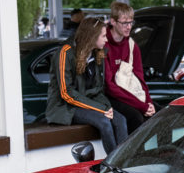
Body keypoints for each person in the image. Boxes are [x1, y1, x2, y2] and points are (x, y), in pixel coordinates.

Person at [46, 17, 127, 155]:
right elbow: (66, 93)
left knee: (120, 119)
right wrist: (102, 109)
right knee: (104, 122)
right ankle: (114, 164)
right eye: (103, 36)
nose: (106, 39)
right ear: (91, 36)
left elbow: (98, 90)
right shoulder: (65, 52)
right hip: (65, 107)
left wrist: (107, 108)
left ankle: (124, 161)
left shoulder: (97, 53)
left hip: (88, 103)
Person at [104, 1, 156, 135]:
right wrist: (141, 106)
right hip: (110, 97)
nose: (129, 27)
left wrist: (148, 103)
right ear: (113, 22)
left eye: (131, 22)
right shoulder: (103, 44)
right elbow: (110, 87)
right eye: (124, 23)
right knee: (136, 117)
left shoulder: (132, 45)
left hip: (131, 94)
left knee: (160, 114)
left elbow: (140, 79)